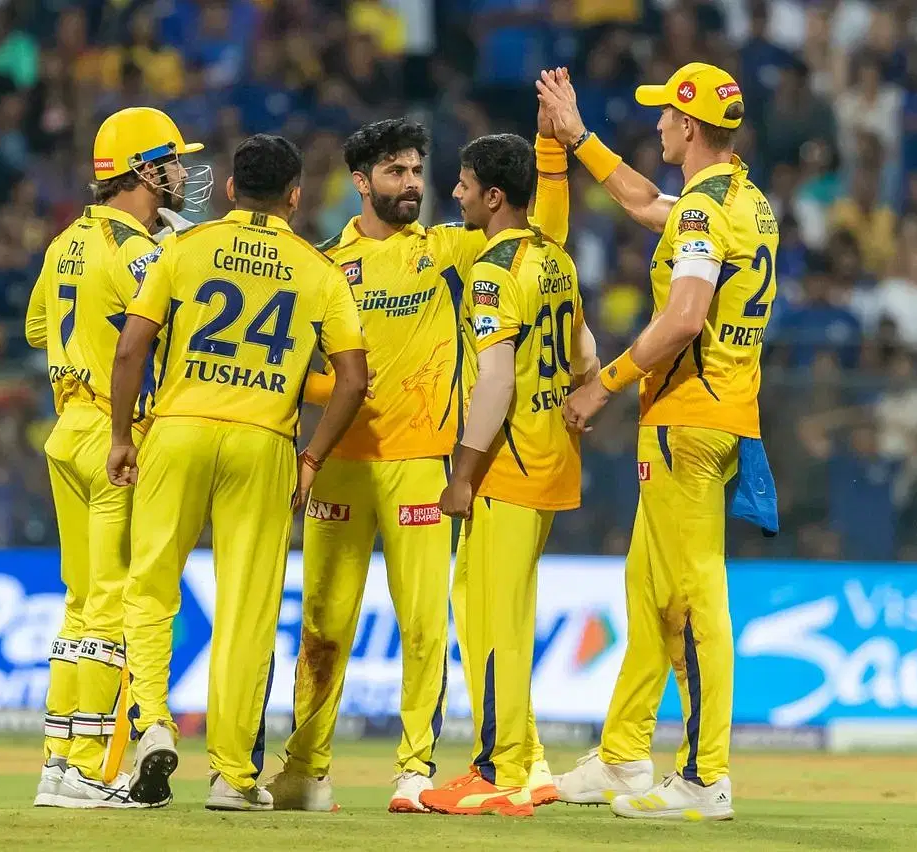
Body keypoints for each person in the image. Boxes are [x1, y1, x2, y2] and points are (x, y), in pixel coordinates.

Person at [269, 107, 570, 813]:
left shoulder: (445, 248)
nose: (411, 184)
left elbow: (538, 234)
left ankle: (414, 769)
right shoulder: (323, 266)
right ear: (360, 182)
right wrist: (339, 395)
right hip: (341, 462)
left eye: (415, 171)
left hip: (421, 467)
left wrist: (551, 153)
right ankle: (305, 770)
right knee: (323, 622)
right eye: (395, 172)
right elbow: (297, 372)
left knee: (426, 626)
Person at [540, 62, 779, 821]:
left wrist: (601, 384)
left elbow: (682, 318)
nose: (658, 126)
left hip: (688, 416)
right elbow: (647, 203)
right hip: (716, 412)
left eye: (665, 117)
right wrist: (579, 140)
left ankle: (706, 778)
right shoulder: (743, 200)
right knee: (649, 592)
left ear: (690, 126)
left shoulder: (706, 214)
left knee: (694, 593)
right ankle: (624, 757)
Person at [109, 134, 368, 811]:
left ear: (228, 189)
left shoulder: (182, 249)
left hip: (178, 429)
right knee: (247, 609)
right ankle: (230, 775)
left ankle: (154, 722)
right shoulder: (319, 269)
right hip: (263, 438)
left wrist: (119, 433)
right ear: (294, 196)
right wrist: (312, 456)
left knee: (151, 585)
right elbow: (353, 379)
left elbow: (132, 346)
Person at [24, 106, 210, 809]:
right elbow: (183, 330)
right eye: (172, 161)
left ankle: (58, 761)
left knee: (78, 605)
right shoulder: (142, 252)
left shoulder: (64, 241)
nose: (182, 173)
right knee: (111, 606)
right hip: (116, 437)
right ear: (142, 171)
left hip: (67, 428)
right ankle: (88, 773)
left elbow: (39, 325)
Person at [416, 134, 597, 817]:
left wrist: (462, 473)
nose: (455, 194)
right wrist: (580, 396)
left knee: (491, 622)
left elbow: (493, 382)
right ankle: (530, 763)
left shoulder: (492, 271)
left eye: (464, 185)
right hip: (549, 457)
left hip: (506, 466)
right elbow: (585, 350)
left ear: (494, 196)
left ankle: (494, 768)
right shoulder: (555, 259)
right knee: (511, 617)